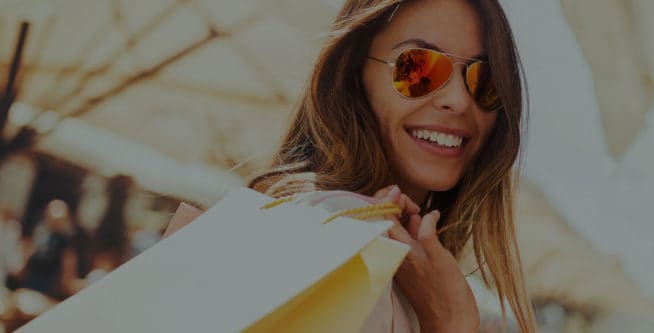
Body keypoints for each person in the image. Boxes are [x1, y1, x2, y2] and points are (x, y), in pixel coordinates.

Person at [165, 0, 535, 332]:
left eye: (484, 80)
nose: (457, 100)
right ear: (354, 75)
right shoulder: (344, 241)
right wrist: (453, 324)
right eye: (417, 68)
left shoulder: (385, 256)